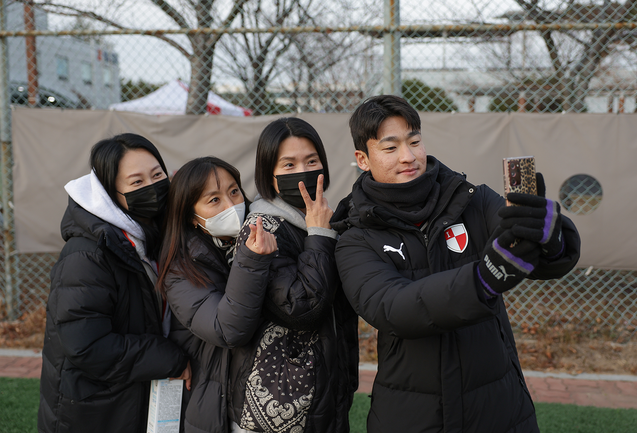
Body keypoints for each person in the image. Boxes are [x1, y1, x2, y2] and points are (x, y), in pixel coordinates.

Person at [332, 95, 581, 433]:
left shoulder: (471, 199)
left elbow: (545, 258)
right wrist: (483, 280)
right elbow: (392, 308)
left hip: (499, 403)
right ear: (363, 158)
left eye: (414, 142)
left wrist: (550, 235)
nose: (408, 157)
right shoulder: (354, 235)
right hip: (411, 414)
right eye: (390, 148)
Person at [38, 133, 190, 433]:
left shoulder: (149, 237)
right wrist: (168, 357)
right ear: (111, 194)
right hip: (95, 411)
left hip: (131, 398)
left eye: (157, 174)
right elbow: (86, 346)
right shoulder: (87, 254)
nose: (152, 187)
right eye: (136, 182)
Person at [227, 118, 358, 433]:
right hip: (279, 406)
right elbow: (302, 308)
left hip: (323, 394)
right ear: (269, 176)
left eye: (311, 161)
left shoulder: (319, 218)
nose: (303, 171)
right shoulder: (262, 227)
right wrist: (318, 235)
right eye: (288, 165)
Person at [157, 156, 278, 433]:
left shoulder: (247, 239)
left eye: (234, 191)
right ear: (190, 215)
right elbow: (228, 329)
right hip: (217, 407)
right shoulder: (181, 267)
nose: (231, 205)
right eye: (214, 200)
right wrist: (252, 260)